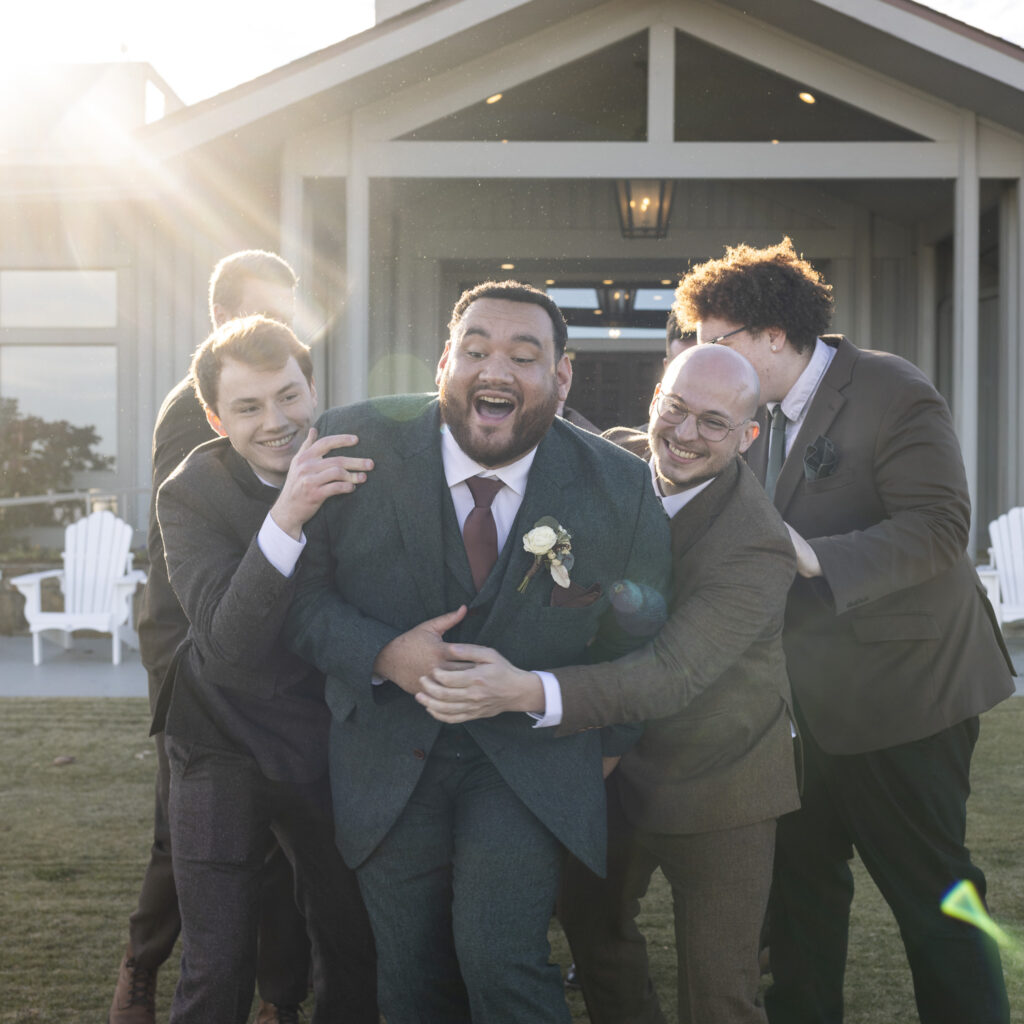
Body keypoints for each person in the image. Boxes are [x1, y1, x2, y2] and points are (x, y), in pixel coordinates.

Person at [284, 280, 671, 1024]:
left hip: (528, 765)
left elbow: (639, 636)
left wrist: (603, 746)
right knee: (409, 972)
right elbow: (300, 602)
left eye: (524, 357)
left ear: (560, 380)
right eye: (476, 350)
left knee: (500, 959)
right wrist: (386, 654)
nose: (495, 371)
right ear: (442, 365)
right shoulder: (351, 442)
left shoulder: (620, 489)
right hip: (390, 756)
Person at [674, 237, 1014, 1024]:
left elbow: (939, 530)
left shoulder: (893, 389)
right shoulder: (741, 416)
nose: (701, 365)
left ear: (771, 336)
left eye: (714, 343)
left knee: (937, 901)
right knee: (797, 902)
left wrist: (809, 554)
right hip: (794, 714)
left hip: (909, 700)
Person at [416, 344, 800, 1023]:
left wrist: (527, 691)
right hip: (601, 770)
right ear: (653, 401)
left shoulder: (757, 543)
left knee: (720, 990)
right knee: (595, 945)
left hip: (720, 783)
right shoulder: (606, 469)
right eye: (675, 410)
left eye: (713, 423)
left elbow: (672, 673)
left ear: (747, 437)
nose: (684, 435)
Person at [154, 315, 378, 1024]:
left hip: (325, 733)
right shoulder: (190, 494)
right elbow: (224, 645)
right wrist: (288, 513)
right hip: (218, 733)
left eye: (288, 395)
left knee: (352, 940)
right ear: (217, 419)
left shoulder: (366, 460)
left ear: (314, 389)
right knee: (217, 959)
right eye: (248, 407)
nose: (276, 421)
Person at [110, 250, 313, 1024]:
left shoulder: (288, 408)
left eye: (290, 314)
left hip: (271, 650)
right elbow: (184, 558)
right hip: (193, 645)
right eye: (264, 310)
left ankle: (278, 995)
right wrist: (185, 676)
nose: (278, 326)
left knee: (280, 850)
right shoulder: (197, 411)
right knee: (186, 836)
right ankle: (142, 966)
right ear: (221, 319)